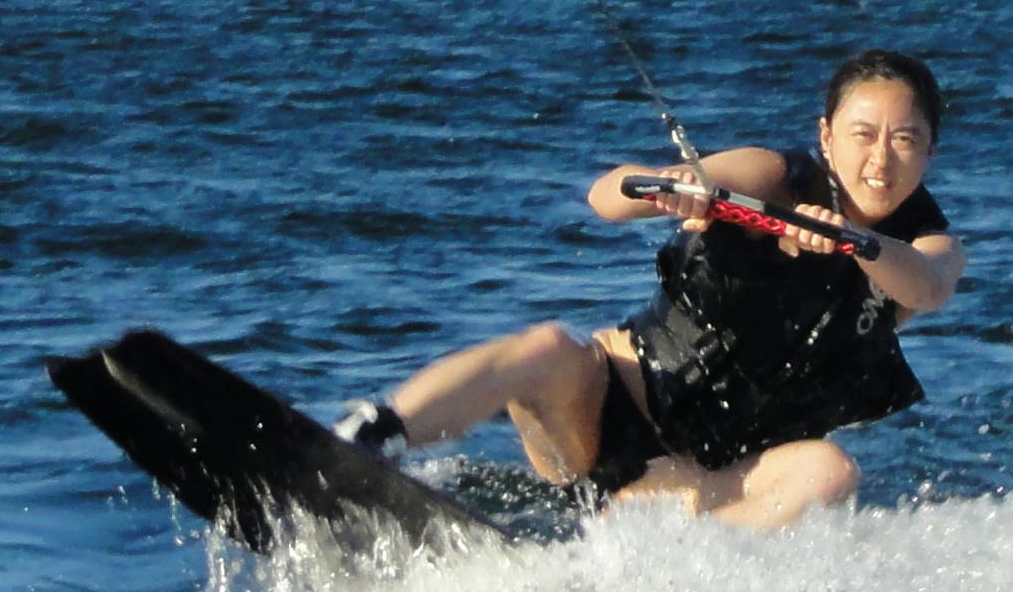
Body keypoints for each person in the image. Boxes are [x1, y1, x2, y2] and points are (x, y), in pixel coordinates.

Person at [335, 48, 961, 532]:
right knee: (549, 347)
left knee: (832, 472)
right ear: (826, 136)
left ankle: (650, 555)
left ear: (930, 150)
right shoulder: (774, 175)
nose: (881, 157)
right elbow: (606, 197)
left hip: (701, 482)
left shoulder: (927, 246)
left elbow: (927, 284)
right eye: (863, 134)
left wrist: (855, 242)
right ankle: (371, 437)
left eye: (904, 138)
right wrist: (674, 185)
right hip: (599, 417)